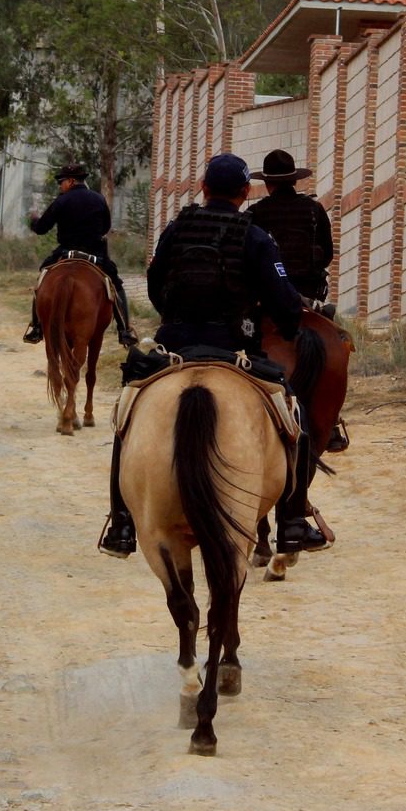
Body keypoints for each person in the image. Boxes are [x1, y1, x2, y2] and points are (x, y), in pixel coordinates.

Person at [100, 152, 330, 558]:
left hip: (175, 346)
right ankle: (292, 521)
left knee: (127, 410)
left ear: (204, 189)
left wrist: (175, 317)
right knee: (296, 415)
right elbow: (284, 302)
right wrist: (290, 325)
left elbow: (155, 286)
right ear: (245, 192)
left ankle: (120, 523)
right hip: (234, 347)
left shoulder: (176, 228)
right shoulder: (255, 236)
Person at [21, 163, 136, 349]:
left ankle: (36, 327)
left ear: (71, 181)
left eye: (61, 181)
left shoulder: (62, 200)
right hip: (96, 254)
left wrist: (33, 221)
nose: (60, 185)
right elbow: (106, 227)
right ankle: (124, 329)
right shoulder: (99, 199)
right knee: (116, 284)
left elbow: (42, 228)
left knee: (42, 277)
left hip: (66, 251)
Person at [245, 148, 335, 311]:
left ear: (267, 183)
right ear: (294, 181)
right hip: (308, 295)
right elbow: (328, 254)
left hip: (267, 297)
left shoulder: (255, 213)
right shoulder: (314, 209)